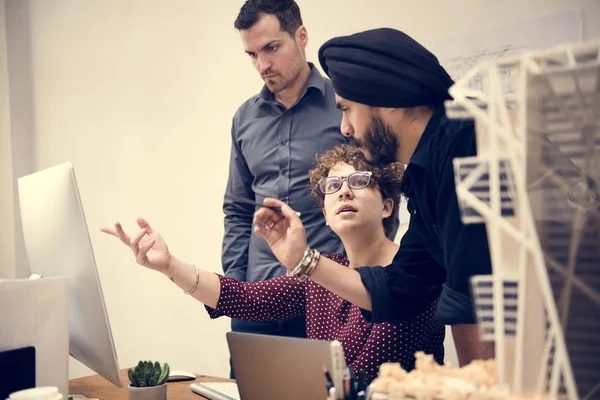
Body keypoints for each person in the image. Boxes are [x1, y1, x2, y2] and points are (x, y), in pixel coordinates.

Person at [253, 28, 495, 367]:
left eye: (348, 109)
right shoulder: (428, 173)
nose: (345, 128)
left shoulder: (466, 144)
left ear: (390, 101)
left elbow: (476, 300)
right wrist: (302, 258)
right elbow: (401, 288)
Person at [101, 144, 443, 380]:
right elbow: (246, 299)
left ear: (387, 205)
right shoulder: (322, 273)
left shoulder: (414, 273)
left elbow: (368, 371)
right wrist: (170, 265)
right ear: (325, 214)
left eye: (358, 181)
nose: (344, 191)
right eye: (333, 185)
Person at [222, 0, 348, 370]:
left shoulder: (344, 107)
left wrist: (358, 284)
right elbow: (238, 208)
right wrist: (236, 287)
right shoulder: (245, 118)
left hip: (327, 298)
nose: (262, 65)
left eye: (271, 48)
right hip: (257, 302)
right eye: (252, 54)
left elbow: (378, 199)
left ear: (301, 36)